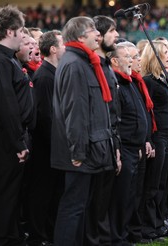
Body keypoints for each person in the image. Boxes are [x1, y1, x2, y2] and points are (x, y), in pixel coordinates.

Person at [51, 16, 119, 245]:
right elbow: (74, 112)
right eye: (93, 31)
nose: (98, 35)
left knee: (81, 207)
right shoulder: (74, 64)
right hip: (80, 153)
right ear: (80, 36)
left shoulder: (83, 62)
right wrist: (78, 152)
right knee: (73, 207)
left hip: (89, 148)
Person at [0, 5, 28, 245]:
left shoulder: (3, 58)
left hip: (7, 138)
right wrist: (18, 142)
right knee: (3, 194)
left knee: (9, 194)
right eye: (21, 30)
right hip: (4, 140)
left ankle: (9, 236)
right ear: (11, 31)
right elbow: (6, 106)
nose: (24, 35)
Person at [25, 30, 66, 246]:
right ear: (52, 49)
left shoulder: (53, 73)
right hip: (46, 148)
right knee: (42, 194)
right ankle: (38, 237)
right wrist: (59, 143)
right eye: (62, 44)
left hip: (55, 146)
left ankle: (49, 234)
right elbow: (44, 117)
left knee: (54, 194)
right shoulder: (44, 77)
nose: (66, 48)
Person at [108, 43, 148, 245]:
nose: (133, 61)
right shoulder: (116, 82)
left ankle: (126, 233)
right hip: (124, 147)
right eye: (128, 57)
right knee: (121, 196)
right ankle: (117, 236)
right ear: (115, 61)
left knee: (131, 195)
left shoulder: (129, 81)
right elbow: (117, 118)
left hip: (134, 147)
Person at [140, 41, 168, 240]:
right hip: (157, 135)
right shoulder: (149, 81)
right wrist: (149, 140)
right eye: (165, 53)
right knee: (152, 185)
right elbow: (147, 112)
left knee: (161, 184)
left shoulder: (164, 79)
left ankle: (159, 222)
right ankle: (148, 226)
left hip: (167, 135)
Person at [92, 15, 120, 245]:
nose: (117, 35)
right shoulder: (93, 66)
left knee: (106, 199)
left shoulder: (106, 65)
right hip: (98, 142)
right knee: (96, 201)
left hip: (110, 139)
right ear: (99, 35)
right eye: (112, 31)